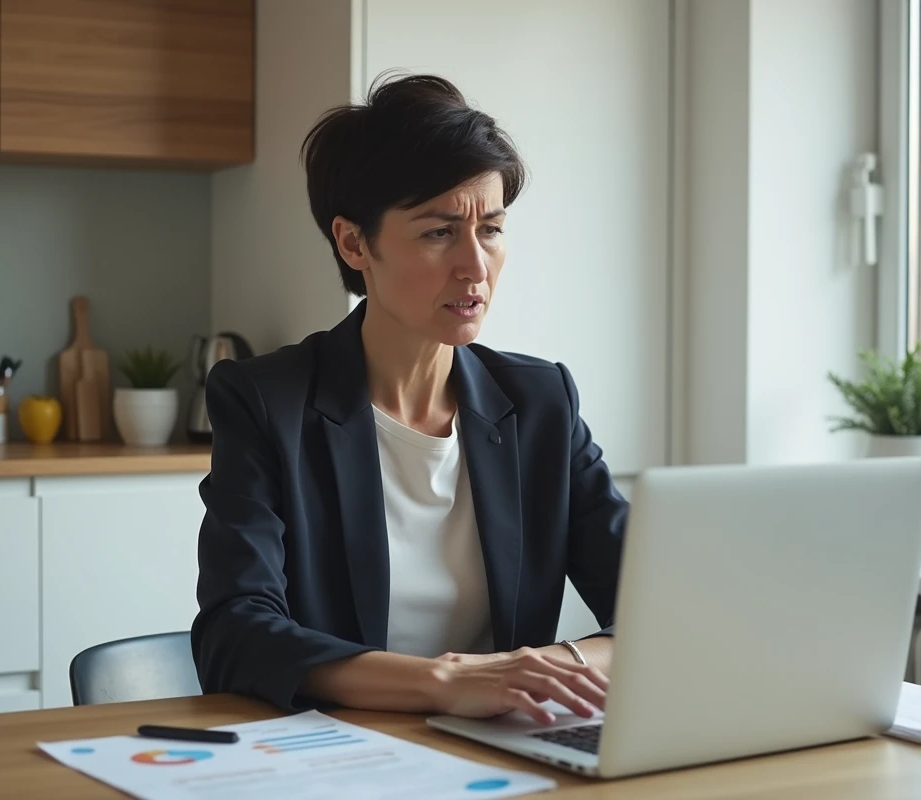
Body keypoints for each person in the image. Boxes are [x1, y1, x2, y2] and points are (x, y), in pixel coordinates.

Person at [191, 73, 628, 727]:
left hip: (507, 744)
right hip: (343, 750)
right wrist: (446, 682)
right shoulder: (267, 403)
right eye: (438, 233)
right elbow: (236, 635)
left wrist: (546, 668)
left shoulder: (542, 402)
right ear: (354, 243)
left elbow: (659, 611)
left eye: (492, 229)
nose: (475, 267)